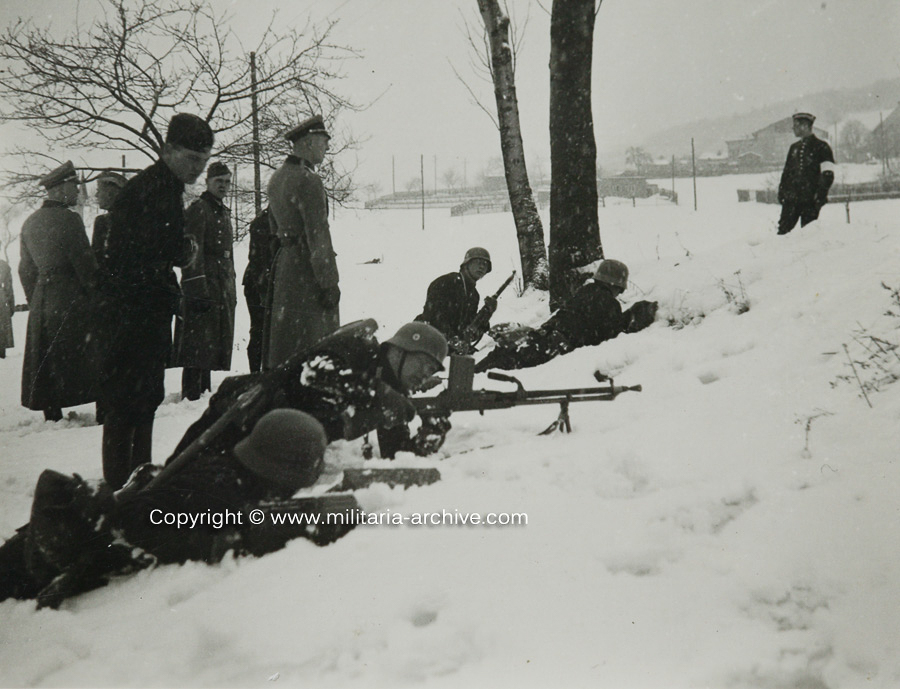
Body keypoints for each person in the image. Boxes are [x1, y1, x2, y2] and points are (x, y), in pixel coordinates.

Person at [0, 409, 330, 609]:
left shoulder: (232, 473)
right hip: (37, 560)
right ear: (277, 473)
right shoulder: (220, 491)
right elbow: (137, 522)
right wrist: (214, 543)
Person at [97, 113, 213, 489]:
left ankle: (132, 480)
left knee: (136, 401)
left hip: (134, 308)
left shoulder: (155, 186)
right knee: (133, 403)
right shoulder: (157, 191)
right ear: (168, 150)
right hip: (137, 310)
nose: (198, 169)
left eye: (204, 161)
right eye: (192, 159)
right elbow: (153, 250)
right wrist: (185, 249)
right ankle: (128, 486)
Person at [168, 319, 450, 465]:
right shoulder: (360, 346)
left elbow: (396, 454)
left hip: (271, 445)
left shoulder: (391, 390)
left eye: (430, 373)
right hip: (242, 413)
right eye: (423, 365)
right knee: (174, 485)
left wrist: (428, 437)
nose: (423, 376)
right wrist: (378, 392)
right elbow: (315, 373)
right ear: (400, 350)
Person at [19, 160, 101, 421]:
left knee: (45, 354)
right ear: (59, 189)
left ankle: (50, 409)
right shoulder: (70, 219)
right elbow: (85, 264)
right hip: (70, 296)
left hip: (43, 297)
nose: (77, 191)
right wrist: (97, 294)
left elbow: (25, 270)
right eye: (73, 186)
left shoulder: (30, 223)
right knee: (82, 352)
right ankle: (100, 408)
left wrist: (36, 298)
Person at [474, 259, 657, 373]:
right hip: (553, 346)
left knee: (500, 358)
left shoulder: (584, 292)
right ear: (617, 286)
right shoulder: (608, 303)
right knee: (507, 362)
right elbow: (609, 335)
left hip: (541, 336)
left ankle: (467, 373)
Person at [264, 114, 340, 369]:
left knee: (286, 346)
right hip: (307, 272)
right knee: (314, 347)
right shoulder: (309, 180)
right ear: (308, 143)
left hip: (285, 268)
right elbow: (318, 234)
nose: (327, 147)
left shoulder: (277, 179)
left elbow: (274, 228)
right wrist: (329, 282)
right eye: (323, 141)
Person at [174, 161, 237, 400]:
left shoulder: (222, 210)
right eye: (218, 182)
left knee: (212, 340)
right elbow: (192, 251)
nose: (223, 186)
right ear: (208, 182)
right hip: (205, 281)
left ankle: (204, 390)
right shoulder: (199, 209)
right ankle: (192, 393)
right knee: (198, 340)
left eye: (227, 182)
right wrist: (196, 286)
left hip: (221, 281)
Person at [415, 247, 497, 355]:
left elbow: (470, 331)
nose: (482, 266)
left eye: (485, 264)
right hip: (423, 343)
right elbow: (435, 317)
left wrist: (487, 313)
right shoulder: (446, 283)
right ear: (466, 264)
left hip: (445, 350)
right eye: (478, 262)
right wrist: (454, 341)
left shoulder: (474, 296)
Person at [777, 112, 835, 235]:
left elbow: (828, 174)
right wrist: (782, 191)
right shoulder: (794, 148)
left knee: (809, 235)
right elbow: (786, 173)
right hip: (791, 200)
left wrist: (819, 196)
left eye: (796, 125)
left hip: (810, 200)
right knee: (782, 234)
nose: (793, 128)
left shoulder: (822, 147)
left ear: (805, 126)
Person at [242, 207, 278, 373]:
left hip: (273, 283)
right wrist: (263, 290)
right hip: (258, 283)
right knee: (259, 330)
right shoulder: (263, 221)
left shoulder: (284, 216)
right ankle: (255, 374)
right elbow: (258, 259)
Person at [90, 171, 127, 260]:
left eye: (99, 190)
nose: (96, 195)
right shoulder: (135, 218)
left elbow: (96, 258)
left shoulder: (102, 222)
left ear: (109, 194)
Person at [0, 257, 14, 358]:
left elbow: (9, 287)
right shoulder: (3, 265)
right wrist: (11, 304)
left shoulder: (4, 265)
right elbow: (8, 287)